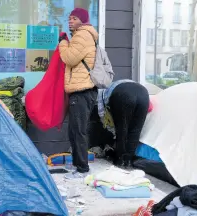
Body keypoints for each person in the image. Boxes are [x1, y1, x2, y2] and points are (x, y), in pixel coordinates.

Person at [58, 8, 98, 179]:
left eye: (74, 18)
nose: (70, 21)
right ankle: (78, 165)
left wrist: (63, 42)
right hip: (80, 90)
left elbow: (69, 58)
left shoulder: (82, 36)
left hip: (82, 91)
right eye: (69, 18)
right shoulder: (81, 35)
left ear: (82, 20)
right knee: (74, 130)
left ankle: (82, 169)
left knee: (78, 131)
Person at [97, 80, 150, 169]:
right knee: (136, 130)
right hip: (144, 93)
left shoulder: (101, 92)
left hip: (123, 93)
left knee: (122, 129)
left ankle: (120, 160)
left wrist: (111, 130)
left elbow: (101, 113)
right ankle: (129, 160)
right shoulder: (118, 83)